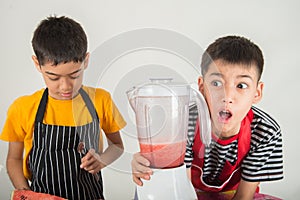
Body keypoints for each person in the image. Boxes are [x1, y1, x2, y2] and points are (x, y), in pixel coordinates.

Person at [131, 35, 283, 199]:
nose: (227, 96)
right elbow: (181, 189)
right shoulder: (183, 123)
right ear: (202, 88)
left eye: (241, 85)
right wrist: (150, 167)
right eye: (216, 83)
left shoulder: (266, 132)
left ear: (257, 92)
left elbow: (244, 196)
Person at [0, 15, 126, 200]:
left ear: (86, 60)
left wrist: (102, 160)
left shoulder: (101, 100)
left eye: (75, 74)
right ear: (37, 64)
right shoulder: (23, 108)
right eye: (54, 77)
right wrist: (28, 194)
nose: (66, 86)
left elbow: (117, 145)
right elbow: (13, 159)